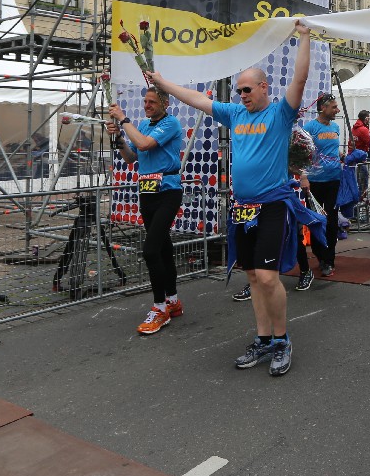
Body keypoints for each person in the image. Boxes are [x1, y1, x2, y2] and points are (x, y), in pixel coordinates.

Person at [147, 20, 319, 377]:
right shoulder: (235, 113)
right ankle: (263, 339)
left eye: (247, 89)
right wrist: (162, 83)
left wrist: (304, 37)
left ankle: (282, 340)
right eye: (239, 90)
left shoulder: (279, 113)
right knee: (253, 277)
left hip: (272, 205)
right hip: (242, 209)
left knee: (268, 277)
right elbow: (196, 99)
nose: (241, 95)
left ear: (263, 87)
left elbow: (300, 80)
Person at [108, 88, 185, 334]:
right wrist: (119, 138)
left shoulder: (171, 123)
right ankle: (173, 301)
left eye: (152, 102)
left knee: (150, 250)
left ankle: (160, 308)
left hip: (168, 192)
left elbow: (144, 144)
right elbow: (131, 157)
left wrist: (123, 119)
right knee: (163, 247)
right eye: (145, 101)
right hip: (147, 192)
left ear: (165, 103)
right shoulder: (142, 124)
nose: (147, 105)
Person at [300, 94, 343, 284]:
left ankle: (328, 259)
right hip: (315, 182)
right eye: (334, 107)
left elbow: (332, 150)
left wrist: (343, 156)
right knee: (317, 221)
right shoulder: (310, 128)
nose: (337, 110)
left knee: (332, 220)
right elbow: (301, 153)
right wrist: (304, 177)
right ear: (323, 108)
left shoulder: (335, 127)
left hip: (334, 179)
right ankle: (320, 254)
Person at [351, 109, 370, 196]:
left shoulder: (353, 129)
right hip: (361, 159)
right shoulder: (363, 130)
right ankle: (362, 198)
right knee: (363, 181)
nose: (369, 120)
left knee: (356, 181)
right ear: (366, 118)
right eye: (369, 118)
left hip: (353, 158)